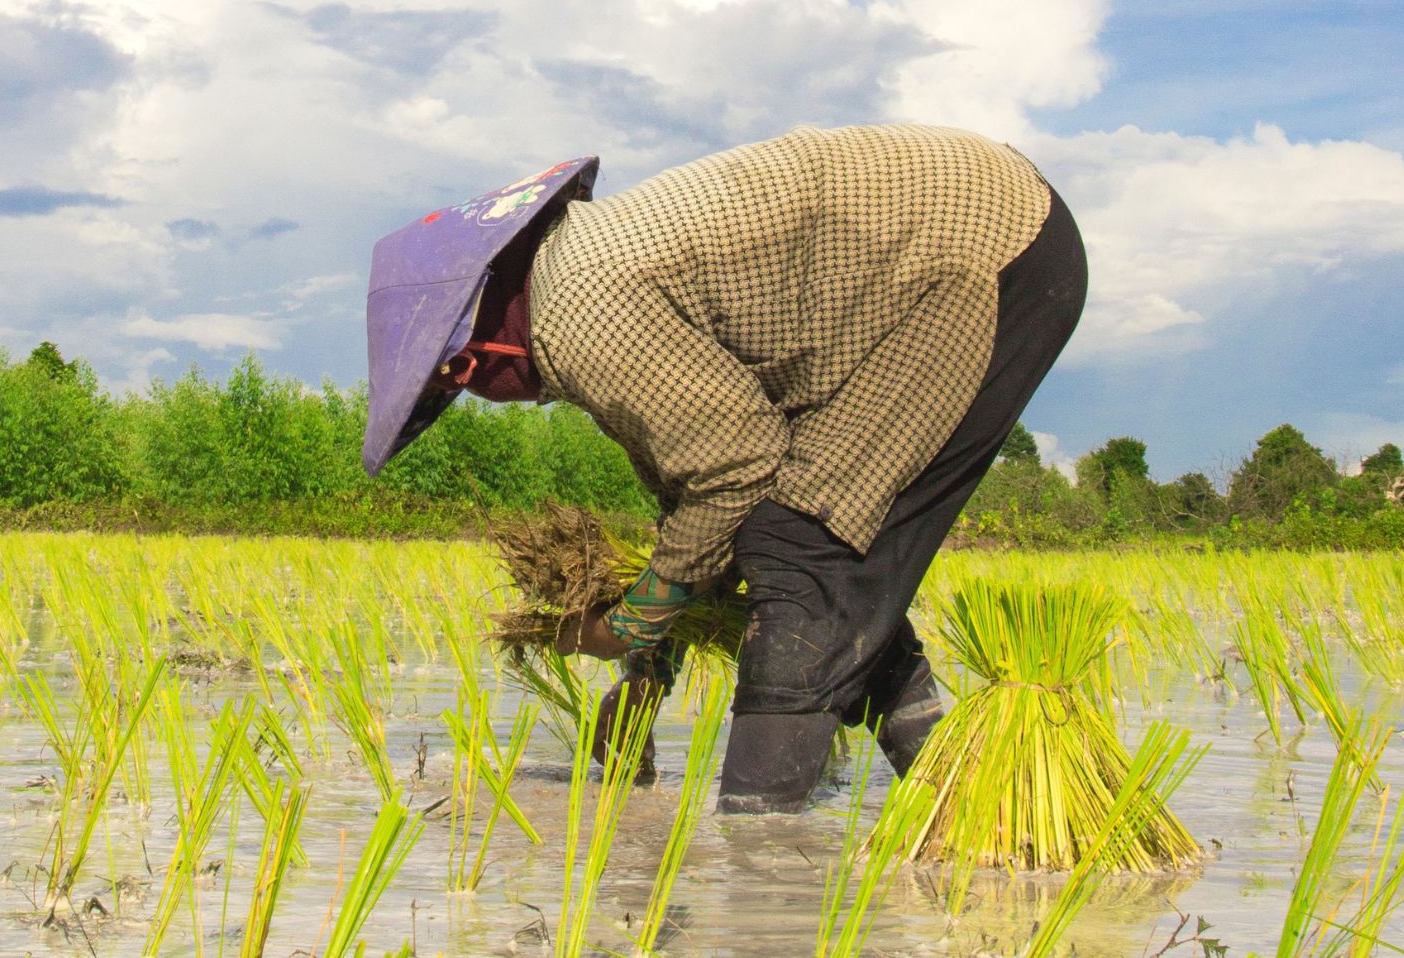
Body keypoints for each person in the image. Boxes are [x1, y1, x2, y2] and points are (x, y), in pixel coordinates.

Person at [362, 123, 1086, 813]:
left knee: (803, 549)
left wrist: (628, 627)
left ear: (470, 357)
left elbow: (736, 473)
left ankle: (759, 858)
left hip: (980, 250)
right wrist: (642, 682)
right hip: (972, 233)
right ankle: (966, 802)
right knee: (815, 547)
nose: (496, 399)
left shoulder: (577, 314)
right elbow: (699, 502)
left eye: (464, 386)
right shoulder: (571, 278)